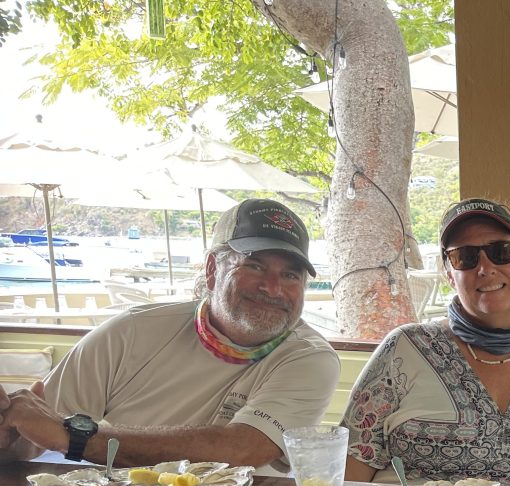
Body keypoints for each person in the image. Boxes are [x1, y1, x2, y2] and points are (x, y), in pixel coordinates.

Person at [0, 198, 339, 470]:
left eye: (291, 275)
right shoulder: (132, 330)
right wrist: (9, 435)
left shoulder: (309, 358)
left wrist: (76, 439)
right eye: (255, 266)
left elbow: (243, 448)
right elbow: (28, 438)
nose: (273, 287)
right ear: (211, 270)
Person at [342, 197, 510, 486]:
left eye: (500, 251)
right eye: (465, 257)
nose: (485, 267)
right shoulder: (404, 349)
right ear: (449, 275)